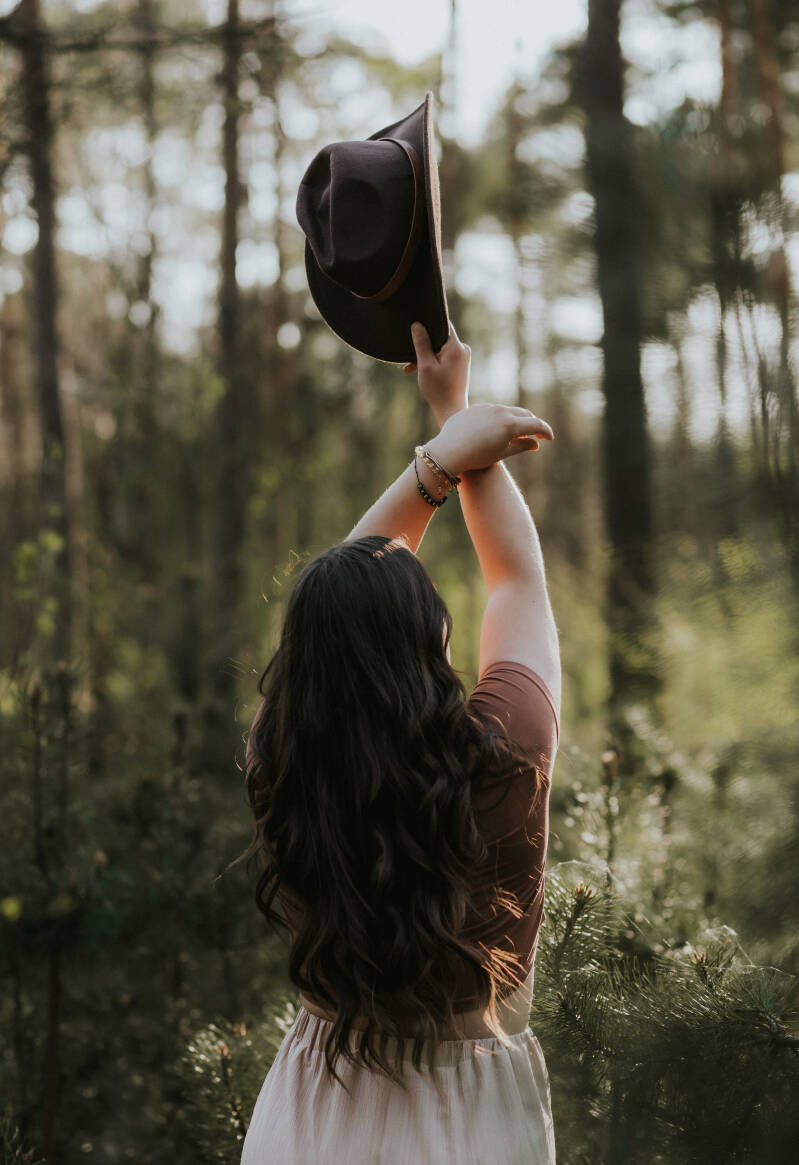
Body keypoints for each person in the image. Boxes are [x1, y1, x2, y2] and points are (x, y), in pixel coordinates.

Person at [240, 319, 560, 1163]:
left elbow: (339, 596)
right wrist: (458, 429)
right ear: (431, 636)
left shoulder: (281, 755)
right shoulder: (503, 750)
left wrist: (443, 452)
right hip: (472, 1120)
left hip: (310, 1111)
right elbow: (514, 579)